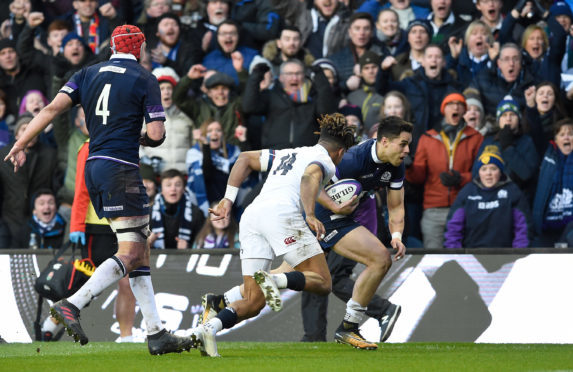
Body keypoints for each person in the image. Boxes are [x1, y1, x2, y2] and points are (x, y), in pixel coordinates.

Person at [4, 24, 197, 354]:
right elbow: (156, 133)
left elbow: (50, 109)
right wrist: (141, 138)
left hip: (93, 165)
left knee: (139, 251)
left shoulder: (86, 73)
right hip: (121, 168)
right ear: (139, 48)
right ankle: (72, 305)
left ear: (112, 46)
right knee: (133, 251)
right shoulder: (144, 77)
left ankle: (155, 333)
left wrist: (21, 142)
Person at [192, 113, 355, 357]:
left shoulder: (291, 152)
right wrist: (310, 214)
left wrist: (228, 198)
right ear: (341, 152)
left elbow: (246, 158)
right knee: (323, 282)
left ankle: (210, 328)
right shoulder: (326, 160)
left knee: (253, 301)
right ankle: (276, 280)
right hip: (282, 216)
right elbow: (310, 177)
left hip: (252, 215)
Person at [67, 136, 137, 343]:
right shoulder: (89, 147)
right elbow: (81, 187)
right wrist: (77, 225)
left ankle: (127, 338)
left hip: (123, 224)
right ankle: (50, 325)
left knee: (127, 282)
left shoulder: (127, 143)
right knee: (85, 283)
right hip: (95, 226)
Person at [406, 92, 483, 248]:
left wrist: (462, 179)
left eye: (460, 104)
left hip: (465, 206)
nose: (455, 107)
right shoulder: (427, 138)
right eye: (450, 104)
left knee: (464, 261)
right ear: (443, 110)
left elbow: (482, 173)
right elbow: (418, 177)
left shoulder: (476, 137)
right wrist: (408, 167)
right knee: (433, 261)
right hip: (434, 210)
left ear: (464, 111)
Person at [444, 148, 531, 248]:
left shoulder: (512, 191)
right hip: (471, 256)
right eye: (484, 169)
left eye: (493, 168)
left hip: (506, 255)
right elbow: (453, 229)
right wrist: (455, 255)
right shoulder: (467, 192)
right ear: (479, 172)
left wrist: (518, 254)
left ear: (500, 171)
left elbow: (523, 229)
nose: (488, 173)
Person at [532, 118, 573, 247]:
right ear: (555, 140)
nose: (566, 138)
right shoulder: (548, 156)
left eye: (571, 134)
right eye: (562, 134)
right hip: (548, 225)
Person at [149, 168, 205, 249]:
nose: (173, 189)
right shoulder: (148, 213)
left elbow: (202, 245)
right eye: (168, 185)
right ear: (161, 189)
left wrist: (188, 248)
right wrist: (147, 245)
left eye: (178, 185)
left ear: (183, 189)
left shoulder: (196, 213)